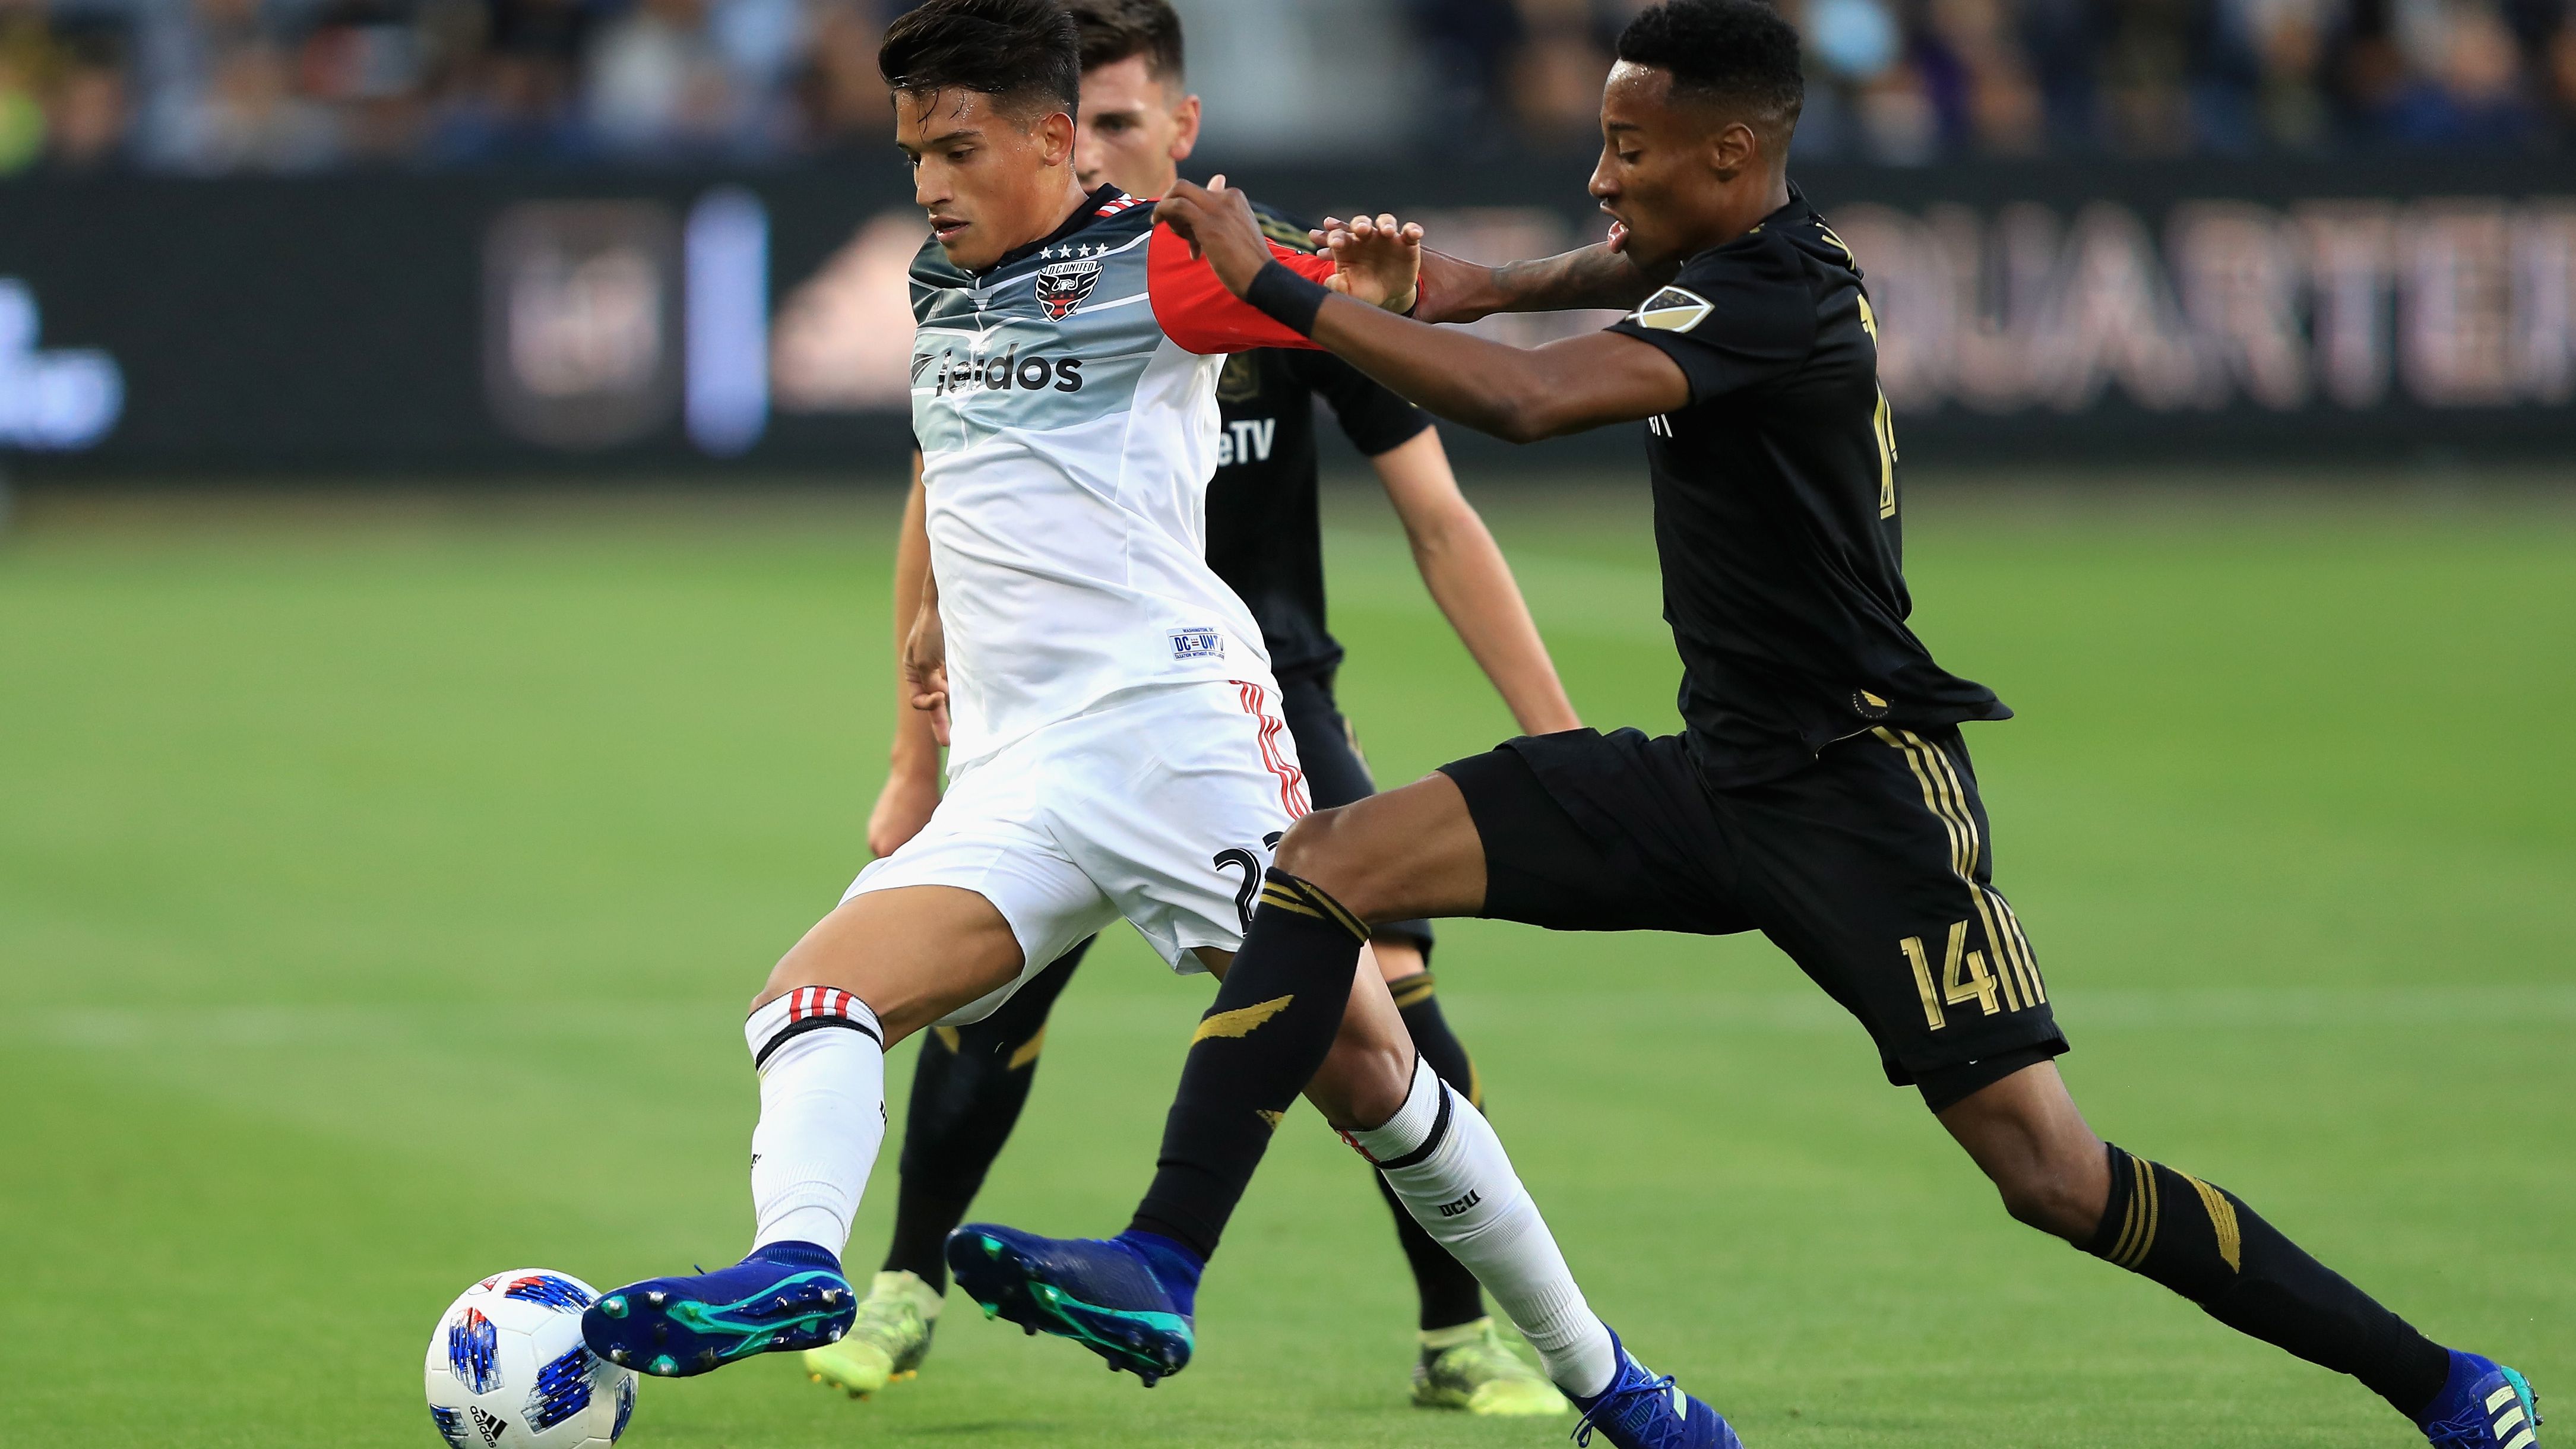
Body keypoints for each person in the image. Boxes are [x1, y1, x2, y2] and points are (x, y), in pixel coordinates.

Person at [952, 5, 2547, 1449]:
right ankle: (1164, 1260)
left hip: (1863, 796)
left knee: (2053, 1178)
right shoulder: (1721, 253)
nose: (1599, 173)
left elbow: (1521, 402)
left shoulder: (1779, 296)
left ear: (1734, 153)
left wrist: (1284, 291)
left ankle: (2437, 1381)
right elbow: (1589, 279)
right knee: (1323, 862)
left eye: (1628, 147)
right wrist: (1463, 285)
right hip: (1719, 772)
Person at [577, 8, 1703, 1447]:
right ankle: (797, 1262)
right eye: (915, 149)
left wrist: (1358, 282)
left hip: (1178, 736)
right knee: (807, 1003)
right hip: (1016, 767)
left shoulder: (1162, 256)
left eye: (957, 146)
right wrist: (929, 639)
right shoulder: (943, 276)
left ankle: (1609, 1380)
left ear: (1054, 138)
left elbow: (1365, 303)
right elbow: (960, 467)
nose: (927, 180)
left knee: (1376, 1071)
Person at [798, 0, 1577, 1418]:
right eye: (1076, 126)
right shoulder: (980, 281)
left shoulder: (1253, 279)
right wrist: (918, 737)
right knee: (974, 1003)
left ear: (1181, 129)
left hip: (1249, 702)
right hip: (1047, 716)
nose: (1096, 153)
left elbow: (1443, 519)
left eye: (1117, 125)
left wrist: (1556, 724)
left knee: (1387, 1028)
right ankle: (904, 1278)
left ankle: (1465, 1334)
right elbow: (949, 477)